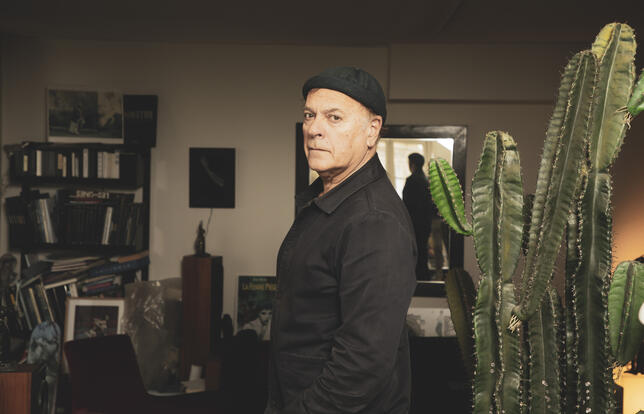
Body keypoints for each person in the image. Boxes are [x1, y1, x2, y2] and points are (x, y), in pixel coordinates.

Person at [266, 67, 417, 414]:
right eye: (309, 115)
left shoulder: (373, 221)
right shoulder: (328, 201)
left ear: (372, 131)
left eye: (334, 117)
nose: (314, 129)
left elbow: (361, 364)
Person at [402, 153, 433, 280]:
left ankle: (418, 278)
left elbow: (407, 204)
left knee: (415, 252)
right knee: (423, 251)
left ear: (412, 164)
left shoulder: (411, 180)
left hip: (414, 223)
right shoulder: (426, 181)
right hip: (425, 223)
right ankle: (424, 276)